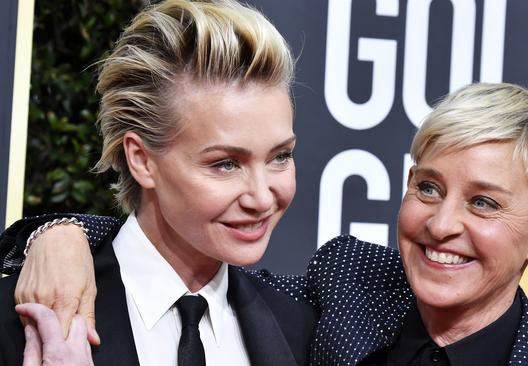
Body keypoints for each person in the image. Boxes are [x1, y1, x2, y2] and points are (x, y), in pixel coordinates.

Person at [2, 84, 528, 365]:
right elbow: (183, 261)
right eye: (427, 188)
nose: (441, 224)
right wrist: (63, 235)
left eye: (483, 203)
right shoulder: (348, 286)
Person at [0, 0, 318, 365]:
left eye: (280, 157)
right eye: (225, 164)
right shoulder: (19, 322)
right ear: (141, 159)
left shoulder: (302, 333)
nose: (261, 198)